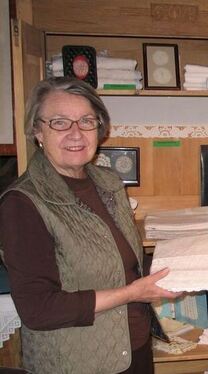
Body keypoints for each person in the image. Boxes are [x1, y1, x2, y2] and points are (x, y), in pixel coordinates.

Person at [0, 77, 181, 373]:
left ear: (99, 128)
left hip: (135, 350)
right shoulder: (23, 203)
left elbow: (124, 264)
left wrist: (186, 264)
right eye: (59, 122)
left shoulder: (108, 183)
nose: (76, 133)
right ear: (37, 131)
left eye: (86, 121)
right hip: (78, 362)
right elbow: (38, 310)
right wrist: (132, 293)